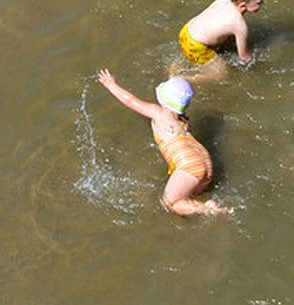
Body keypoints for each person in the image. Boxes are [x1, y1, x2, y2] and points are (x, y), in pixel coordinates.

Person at [97, 69, 229, 216]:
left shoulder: (159, 113)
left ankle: (208, 208)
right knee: (188, 196)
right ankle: (199, 207)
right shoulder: (184, 121)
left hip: (189, 167)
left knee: (169, 204)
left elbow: (131, 101)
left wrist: (111, 85)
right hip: (205, 161)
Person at [176, 0, 264, 76]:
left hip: (186, 31)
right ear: (243, 6)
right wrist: (257, 62)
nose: (262, 3)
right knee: (221, 74)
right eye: (259, 2)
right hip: (195, 46)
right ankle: (183, 79)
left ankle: (174, 67)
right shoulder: (239, 25)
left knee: (221, 44)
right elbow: (244, 58)